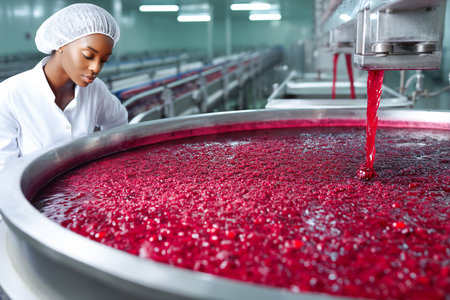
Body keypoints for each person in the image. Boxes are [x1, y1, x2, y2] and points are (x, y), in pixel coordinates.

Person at [0, 3, 128, 168]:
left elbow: (118, 124)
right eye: (88, 55)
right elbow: (4, 171)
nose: (96, 68)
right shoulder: (9, 95)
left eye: (104, 60)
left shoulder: (96, 89)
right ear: (61, 44)